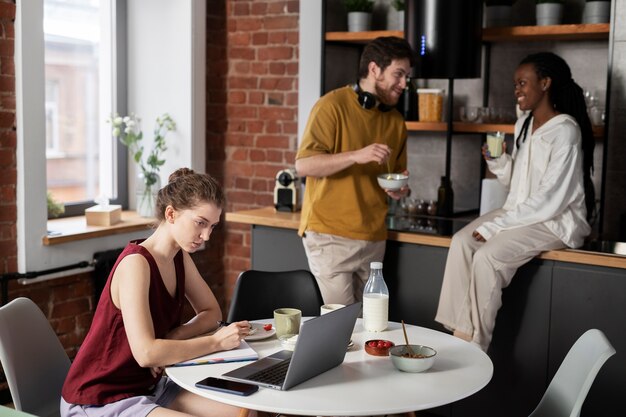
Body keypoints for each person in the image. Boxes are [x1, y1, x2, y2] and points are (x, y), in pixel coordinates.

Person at [435, 52, 595, 352]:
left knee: (487, 257)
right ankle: (459, 335)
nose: (516, 90)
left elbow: (550, 198)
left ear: (545, 83)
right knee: (461, 242)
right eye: (515, 84)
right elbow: (518, 185)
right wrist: (499, 161)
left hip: (554, 221)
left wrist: (499, 226)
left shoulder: (565, 131)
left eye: (523, 83)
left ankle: (475, 349)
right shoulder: (524, 123)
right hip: (520, 212)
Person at [61, 168, 254, 417]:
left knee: (246, 412)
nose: (206, 236)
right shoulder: (135, 264)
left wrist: (174, 337)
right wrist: (216, 342)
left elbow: (211, 312)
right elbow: (146, 354)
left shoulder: (178, 257)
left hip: (150, 387)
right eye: (200, 223)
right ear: (171, 214)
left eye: (212, 227)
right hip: (101, 398)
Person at [295, 36, 415, 305]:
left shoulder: (395, 121)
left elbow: (394, 174)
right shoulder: (331, 106)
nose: (404, 84)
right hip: (330, 236)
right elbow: (304, 165)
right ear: (374, 69)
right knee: (342, 328)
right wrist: (357, 155)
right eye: (398, 74)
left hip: (374, 238)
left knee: (372, 327)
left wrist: (398, 190)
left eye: (407, 76)